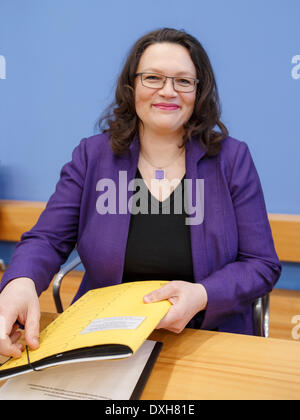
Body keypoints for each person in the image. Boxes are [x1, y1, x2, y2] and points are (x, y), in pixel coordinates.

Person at [0, 28, 281, 358]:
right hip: (105, 337)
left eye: (183, 81)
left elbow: (260, 264)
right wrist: (20, 282)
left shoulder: (232, 159)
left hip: (206, 337)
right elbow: (46, 239)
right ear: (132, 86)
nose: (167, 91)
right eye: (153, 78)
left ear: (199, 92)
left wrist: (203, 295)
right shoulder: (93, 156)